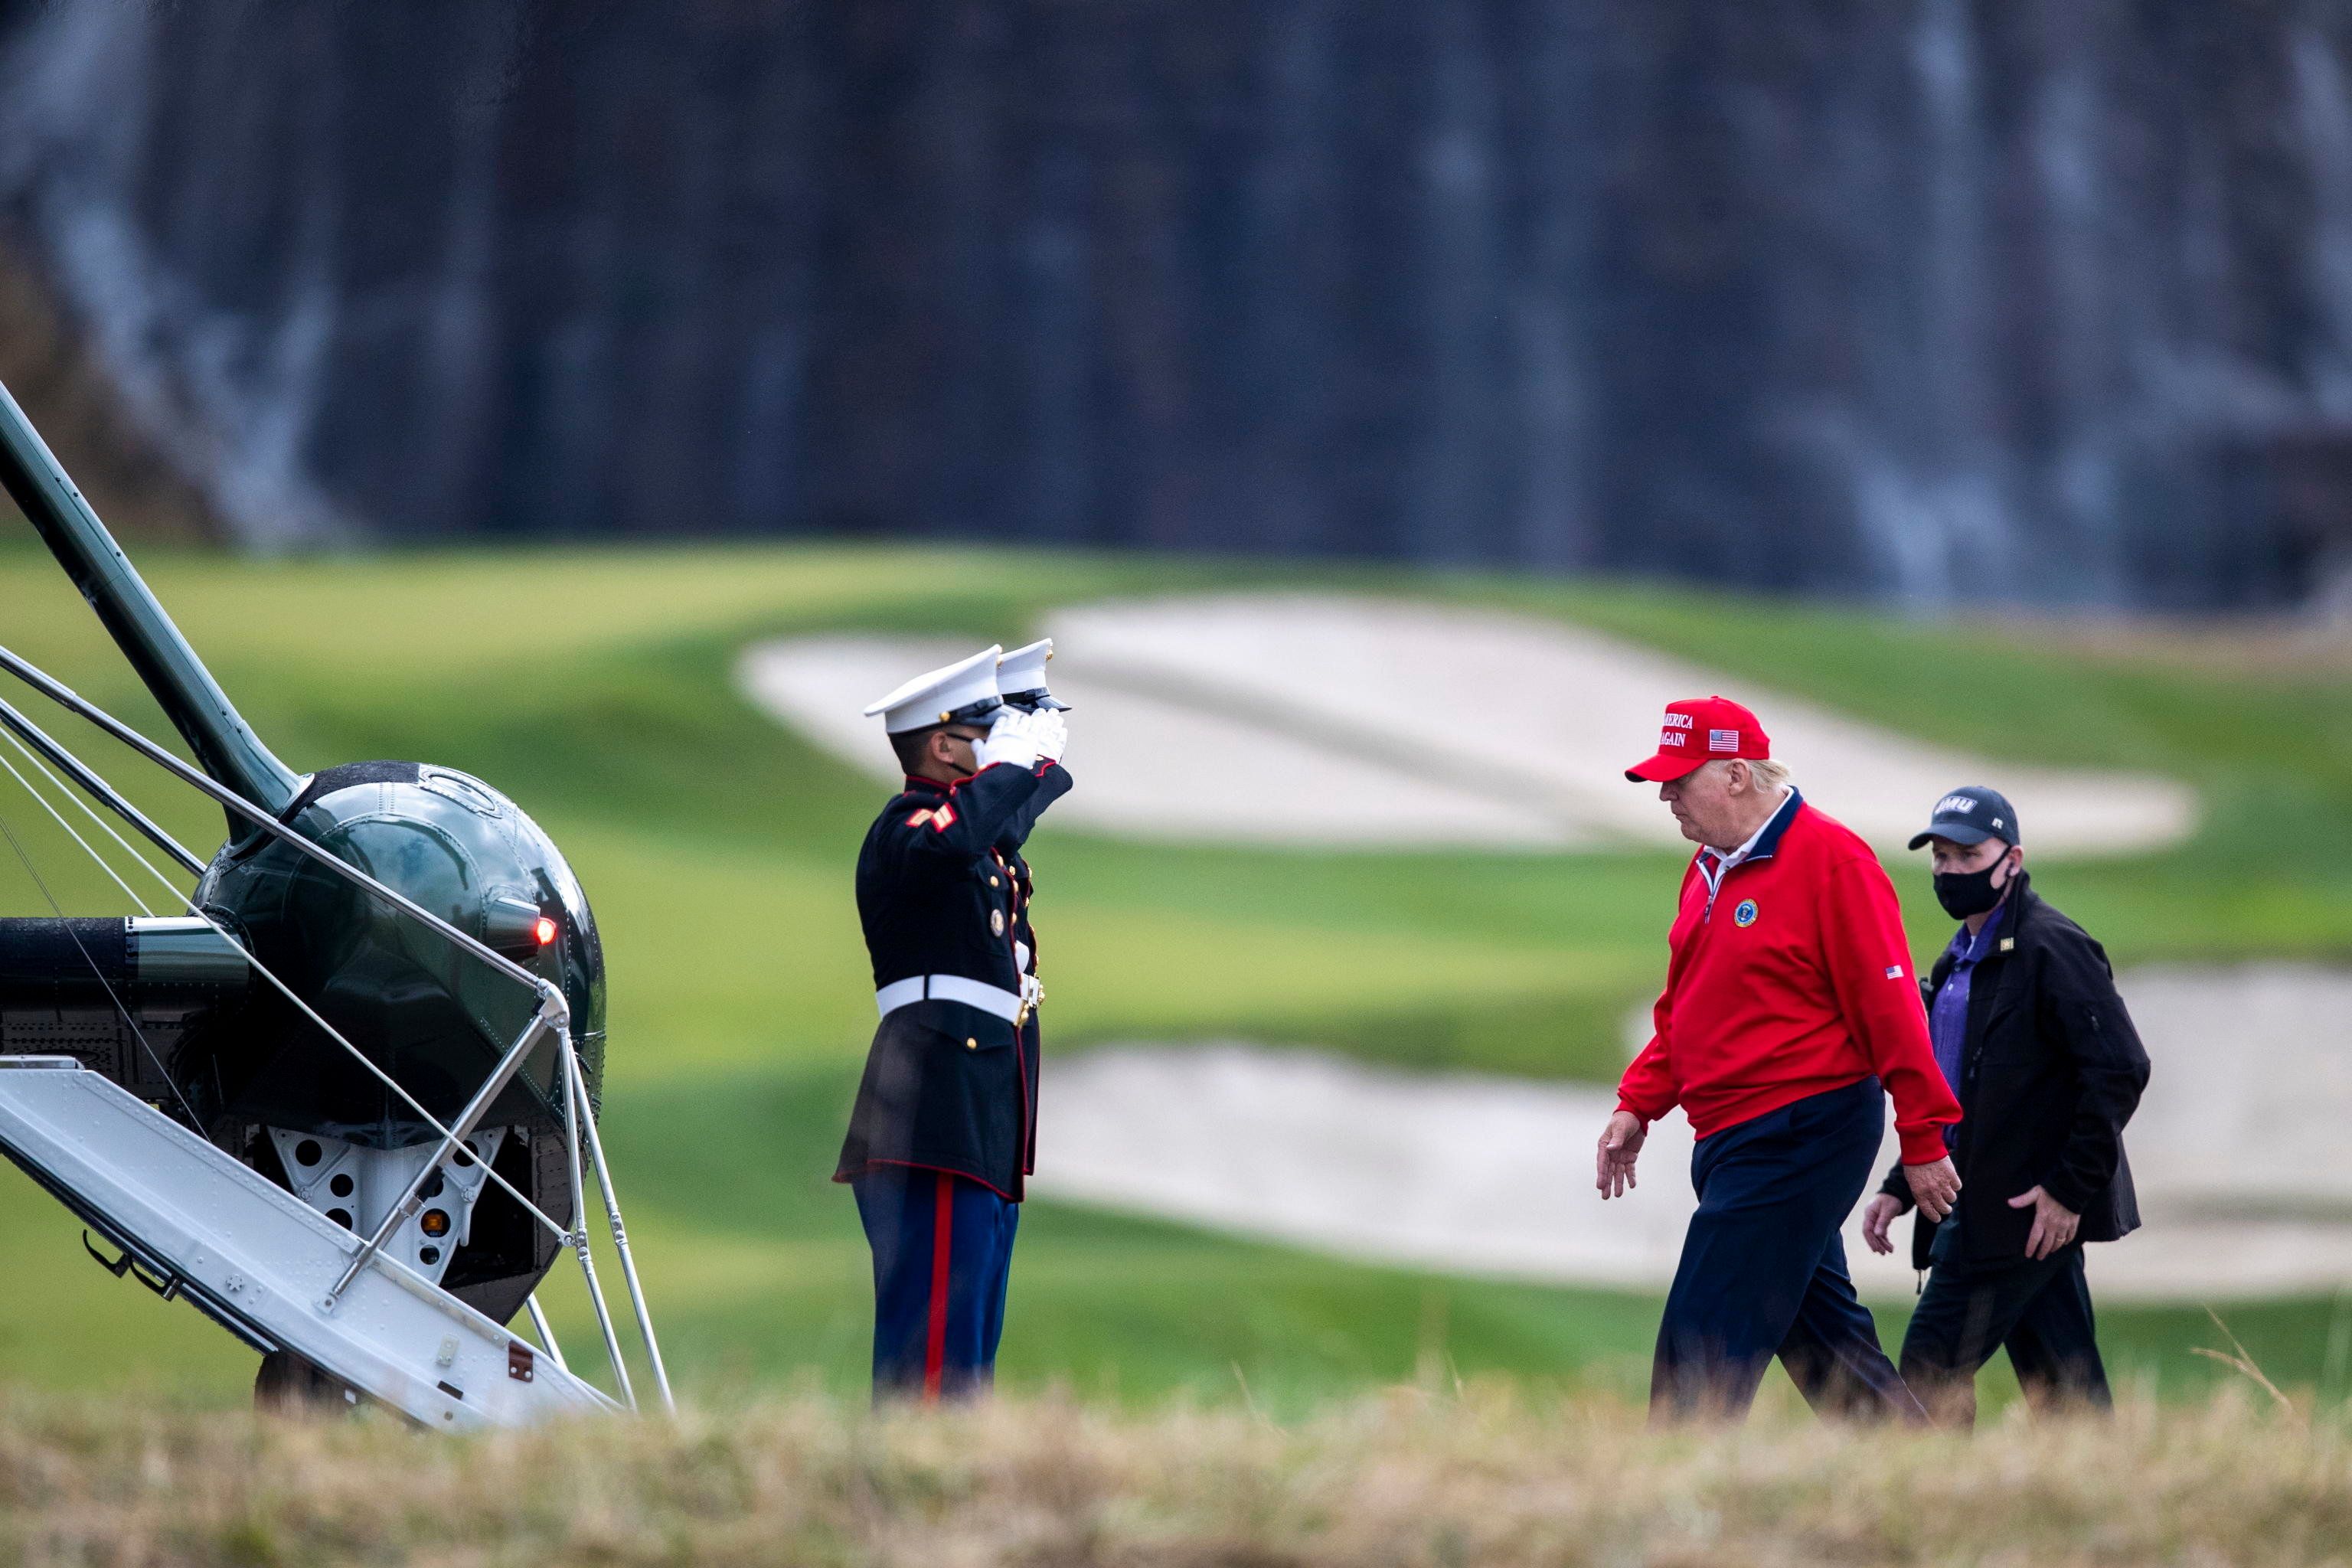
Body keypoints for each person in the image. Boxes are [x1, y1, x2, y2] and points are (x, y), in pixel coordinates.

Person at [1596, 696, 1962, 1422]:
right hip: (1733, 1136)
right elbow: (1687, 1010)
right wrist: (1638, 1102)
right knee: (1826, 1348)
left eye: (1680, 778)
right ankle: (1924, 1472)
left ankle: (1669, 1500)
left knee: (1702, 1341)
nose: (1666, 795)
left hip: (1800, 1132)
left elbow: (1893, 1014)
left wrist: (1923, 1137)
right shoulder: (1708, 868)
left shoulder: (1833, 862)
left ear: (1736, 774)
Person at [1860, 786, 2148, 1426]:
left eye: (1966, 855)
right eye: (1939, 856)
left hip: (2018, 1214)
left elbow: (2120, 1069)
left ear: (2011, 859)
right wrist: (1901, 1185)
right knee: (2065, 1389)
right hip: (1989, 1209)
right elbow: (1954, 1092)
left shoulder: (2052, 948)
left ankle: (1942, 1505)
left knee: (1928, 1374)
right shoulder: (1960, 961)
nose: (1949, 870)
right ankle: (2104, 1499)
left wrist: (2068, 1191)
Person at [833, 644, 1073, 1401]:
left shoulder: (973, 843)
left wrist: (1033, 756)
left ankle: (953, 1498)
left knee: (968, 1353)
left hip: (978, 1116)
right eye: (984, 729)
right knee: (930, 1357)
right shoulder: (908, 829)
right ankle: (910, 1499)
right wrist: (1010, 766)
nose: (1000, 741)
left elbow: (1001, 824)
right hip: (933, 1111)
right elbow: (959, 834)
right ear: (943, 743)